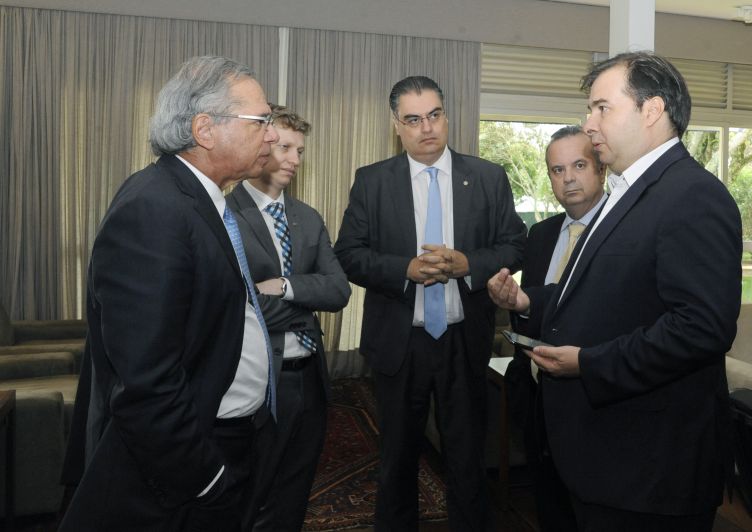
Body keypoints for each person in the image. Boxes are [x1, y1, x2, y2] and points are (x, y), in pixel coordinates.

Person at [488, 51, 742, 532]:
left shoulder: (692, 195)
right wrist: (529, 302)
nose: (589, 122)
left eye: (602, 108)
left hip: (650, 470)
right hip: (609, 459)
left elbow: (702, 328)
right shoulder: (629, 191)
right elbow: (605, 292)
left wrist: (589, 362)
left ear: (652, 110)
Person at [59, 56, 280, 532]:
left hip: (225, 439)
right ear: (205, 129)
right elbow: (147, 382)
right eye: (262, 120)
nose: (273, 134)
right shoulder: (154, 209)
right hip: (185, 473)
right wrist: (205, 478)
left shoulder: (199, 197)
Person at [334, 75, 526, 531]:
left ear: (446, 115)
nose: (427, 128)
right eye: (414, 119)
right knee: (397, 459)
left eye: (434, 115)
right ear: (396, 124)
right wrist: (405, 269)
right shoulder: (372, 181)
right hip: (401, 343)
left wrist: (467, 263)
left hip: (464, 341)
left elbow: (516, 245)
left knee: (466, 458)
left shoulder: (486, 177)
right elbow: (349, 254)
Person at [226, 105, 351, 532]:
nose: (294, 159)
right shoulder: (227, 214)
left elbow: (339, 291)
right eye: (284, 147)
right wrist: (301, 305)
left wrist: (283, 286)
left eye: (299, 150)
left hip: (310, 378)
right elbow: (240, 305)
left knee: (296, 491)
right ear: (260, 146)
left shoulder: (307, 217)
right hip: (260, 379)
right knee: (253, 492)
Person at [504, 125, 605, 532]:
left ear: (600, 168)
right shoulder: (541, 234)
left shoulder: (618, 232)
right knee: (550, 508)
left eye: (579, 165)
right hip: (537, 397)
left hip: (593, 400)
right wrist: (516, 304)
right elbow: (534, 311)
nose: (569, 178)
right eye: (557, 170)